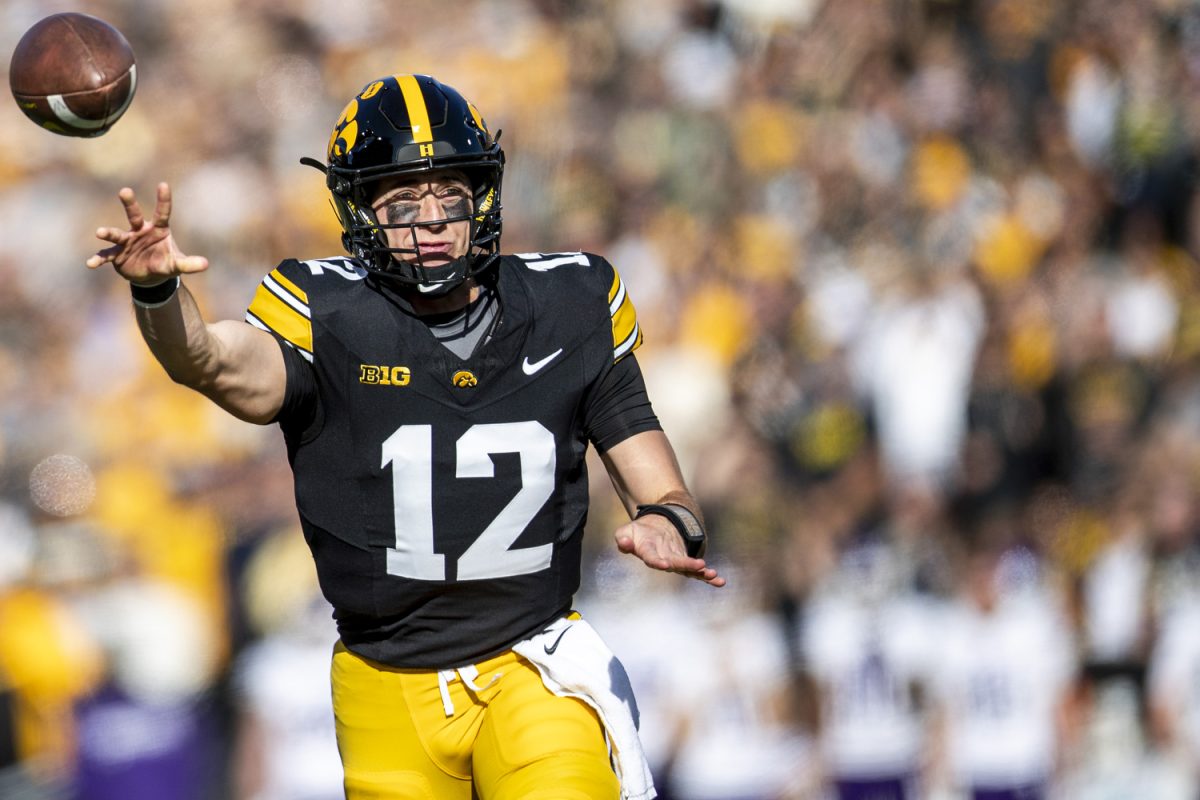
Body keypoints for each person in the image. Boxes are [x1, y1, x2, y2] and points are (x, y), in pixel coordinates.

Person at [86, 73, 724, 799]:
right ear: (359, 211)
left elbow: (666, 489)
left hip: (533, 663)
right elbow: (209, 360)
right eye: (401, 201)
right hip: (383, 684)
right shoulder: (328, 312)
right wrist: (158, 293)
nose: (431, 220)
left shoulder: (569, 303)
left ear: (482, 194)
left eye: (449, 194)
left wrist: (670, 523)